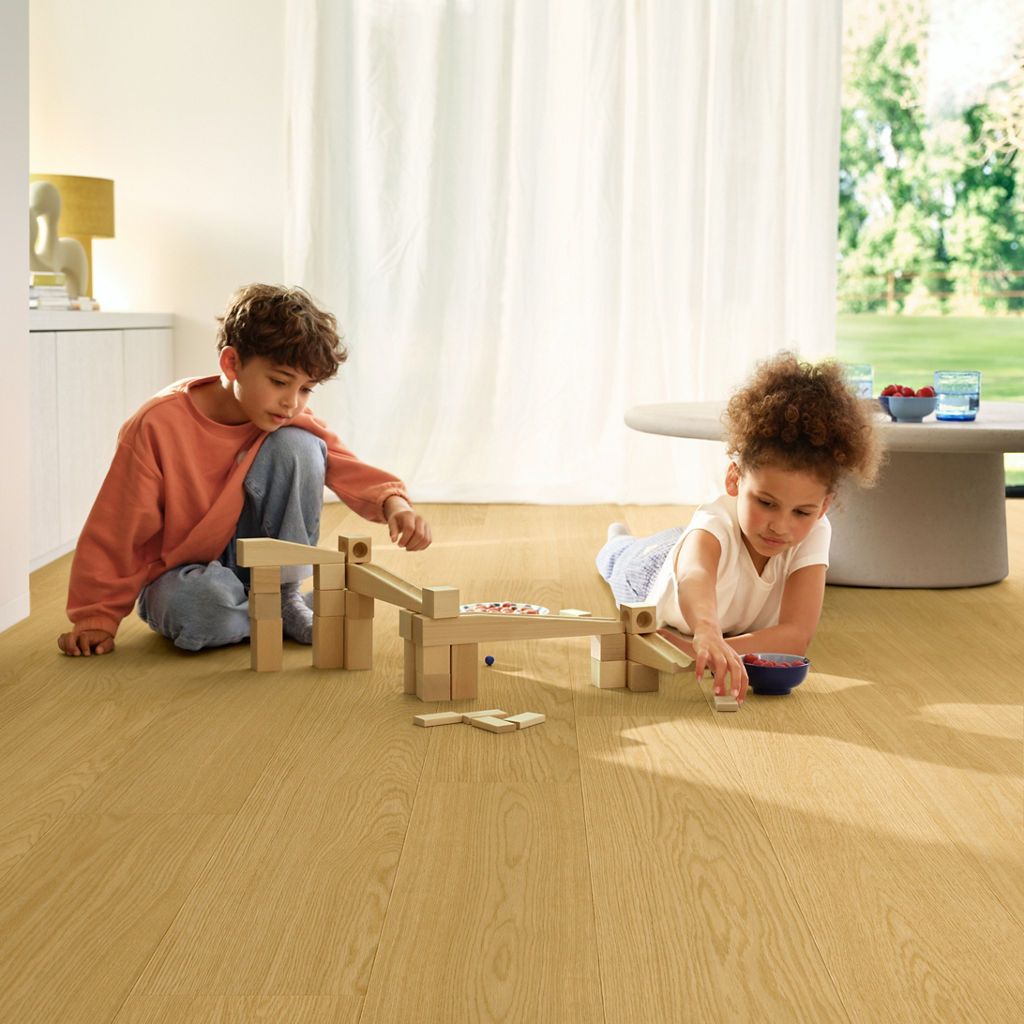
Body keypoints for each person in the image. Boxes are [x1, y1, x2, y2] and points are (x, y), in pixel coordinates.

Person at [58, 283, 432, 657]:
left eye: (306, 389)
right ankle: (272, 611)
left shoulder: (285, 416)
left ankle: (282, 598)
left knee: (301, 445)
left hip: (260, 565)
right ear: (231, 363)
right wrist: (96, 617)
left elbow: (343, 463)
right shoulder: (156, 424)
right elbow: (117, 526)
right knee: (200, 608)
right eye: (279, 382)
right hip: (184, 576)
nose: (292, 403)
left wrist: (395, 504)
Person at [596, 351, 882, 703]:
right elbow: (694, 575)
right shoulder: (715, 521)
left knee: (690, 540)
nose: (780, 526)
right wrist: (705, 630)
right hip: (652, 569)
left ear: (823, 506)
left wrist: (701, 649)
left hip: (701, 559)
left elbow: (796, 635)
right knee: (616, 557)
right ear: (734, 479)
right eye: (766, 503)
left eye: (802, 512)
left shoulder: (817, 530)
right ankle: (618, 537)